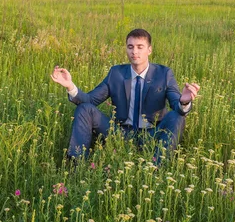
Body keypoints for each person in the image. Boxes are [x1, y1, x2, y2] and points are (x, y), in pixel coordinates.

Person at [50, 28, 200, 163]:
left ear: (149, 50)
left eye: (140, 47)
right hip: (120, 133)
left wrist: (184, 101)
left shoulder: (164, 73)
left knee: (177, 116)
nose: (135, 51)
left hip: (152, 134)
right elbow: (90, 100)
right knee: (85, 109)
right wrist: (70, 86)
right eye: (130, 47)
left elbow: (177, 105)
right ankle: (77, 164)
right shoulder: (116, 73)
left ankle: (158, 167)